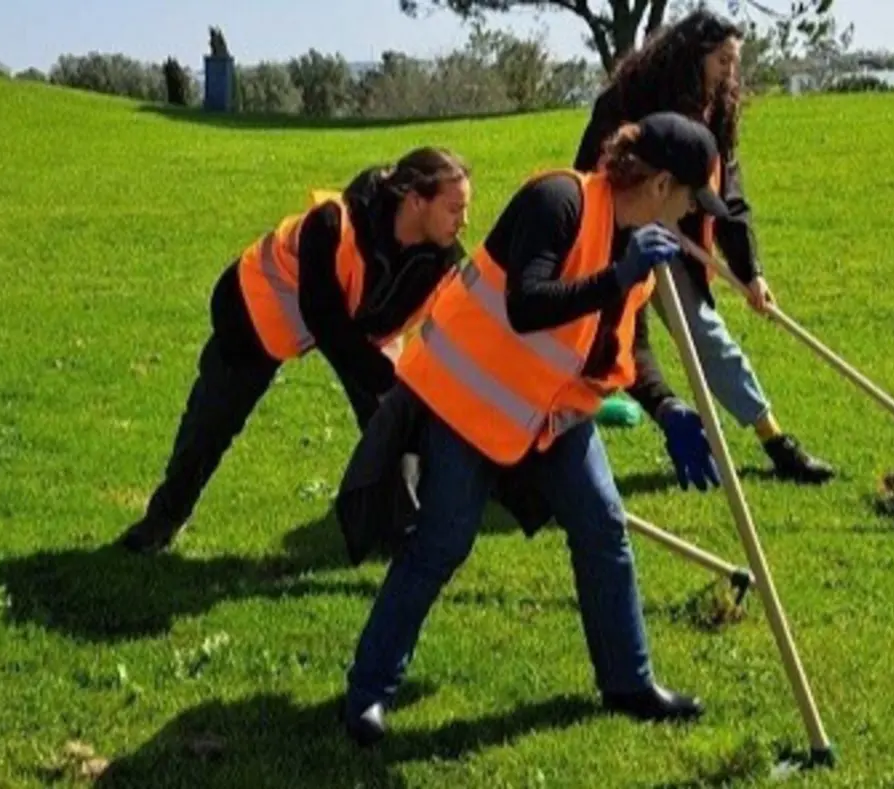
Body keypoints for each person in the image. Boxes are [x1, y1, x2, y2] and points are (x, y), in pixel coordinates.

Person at [340, 112, 727, 748]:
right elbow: (528, 303)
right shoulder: (559, 201)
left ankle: (628, 683)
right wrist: (619, 275)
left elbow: (625, 342)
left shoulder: (636, 242)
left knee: (603, 526)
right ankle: (369, 692)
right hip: (468, 402)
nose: (689, 216)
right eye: (689, 199)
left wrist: (666, 409)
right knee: (441, 542)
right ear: (659, 185)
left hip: (549, 414)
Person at [116, 147, 472, 554]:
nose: (464, 221)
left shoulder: (443, 260)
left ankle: (406, 533)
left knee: (396, 422)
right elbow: (324, 317)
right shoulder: (332, 224)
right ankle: (162, 521)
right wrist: (385, 380)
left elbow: (452, 331)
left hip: (361, 334)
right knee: (210, 424)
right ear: (415, 201)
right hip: (256, 309)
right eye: (454, 208)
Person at [575, 8, 837, 485]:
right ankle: (558, 448)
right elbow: (591, 171)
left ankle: (775, 441)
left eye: (734, 61)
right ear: (691, 56)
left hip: (678, 239)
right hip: (616, 236)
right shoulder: (628, 98)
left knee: (704, 333)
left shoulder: (718, 111)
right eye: (722, 60)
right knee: (609, 340)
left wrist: (750, 269)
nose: (729, 72)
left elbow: (729, 196)